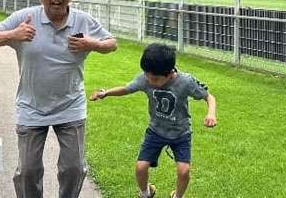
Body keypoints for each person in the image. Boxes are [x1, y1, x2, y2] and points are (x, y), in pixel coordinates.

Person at [0, 0, 117, 198]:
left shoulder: (82, 20)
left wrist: (92, 43)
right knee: (28, 171)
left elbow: (112, 43)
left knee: (74, 169)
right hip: (31, 107)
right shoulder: (24, 18)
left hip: (70, 106)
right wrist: (13, 34)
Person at [90, 43, 217, 198]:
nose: (150, 81)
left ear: (170, 73)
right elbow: (127, 88)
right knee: (140, 167)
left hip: (181, 134)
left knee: (184, 171)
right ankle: (146, 193)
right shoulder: (146, 78)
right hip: (155, 131)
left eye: (155, 79)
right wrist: (106, 93)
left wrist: (211, 114)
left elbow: (208, 96)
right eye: (147, 76)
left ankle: (177, 196)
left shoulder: (185, 81)